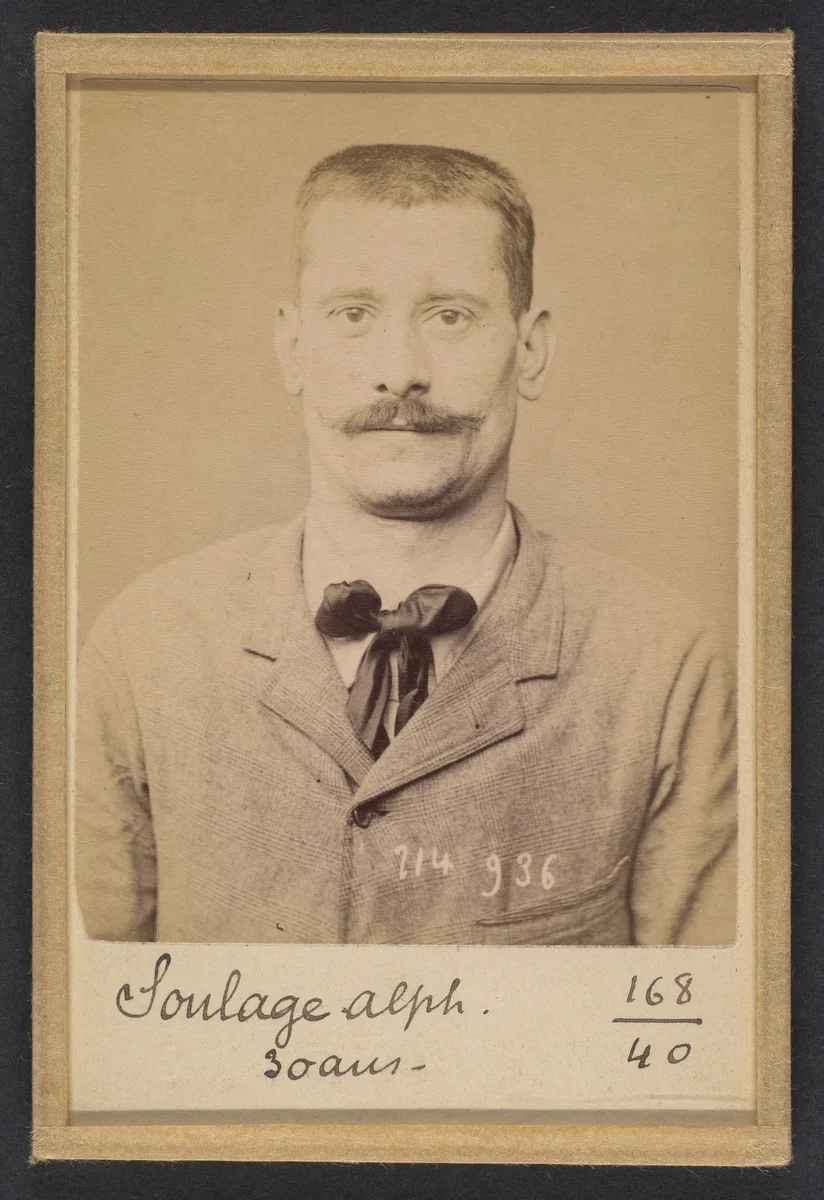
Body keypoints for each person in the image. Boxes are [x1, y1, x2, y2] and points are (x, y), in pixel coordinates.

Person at [75, 143, 737, 946]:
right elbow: (80, 1008)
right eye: (354, 315)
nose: (400, 371)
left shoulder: (665, 664)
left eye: (450, 316)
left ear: (530, 350)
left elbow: (709, 1012)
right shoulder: (142, 647)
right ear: (292, 348)